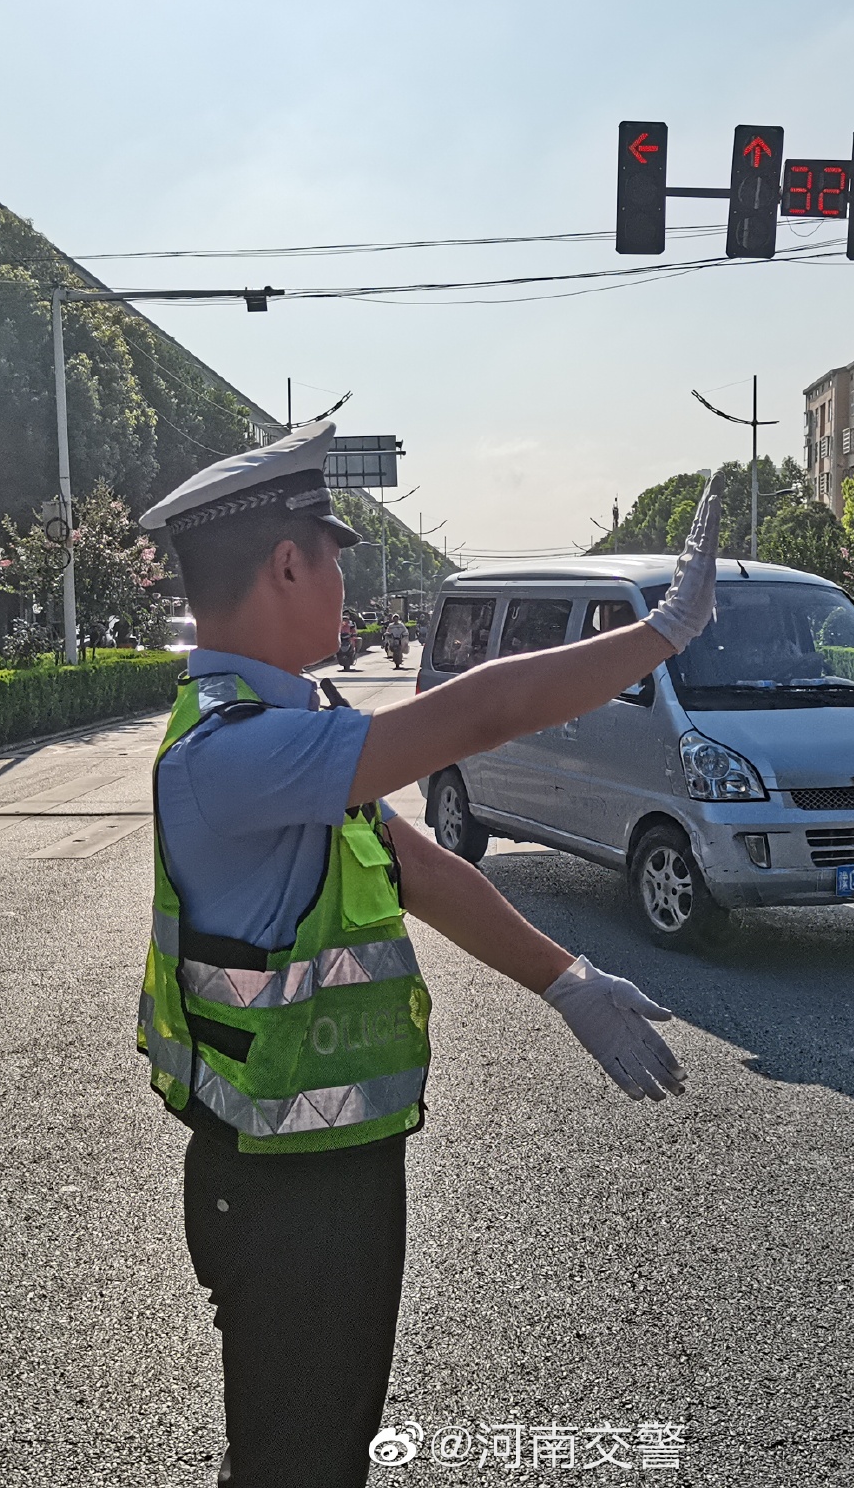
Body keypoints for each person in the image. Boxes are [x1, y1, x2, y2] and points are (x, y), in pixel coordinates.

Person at [135, 420, 715, 1488]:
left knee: (317, 1442)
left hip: (322, 1169)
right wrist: (664, 631)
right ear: (288, 561)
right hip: (282, 1188)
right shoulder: (239, 749)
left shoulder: (286, 727)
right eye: (336, 556)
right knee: (295, 1461)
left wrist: (565, 980)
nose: (343, 584)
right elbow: (488, 707)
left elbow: (422, 871)